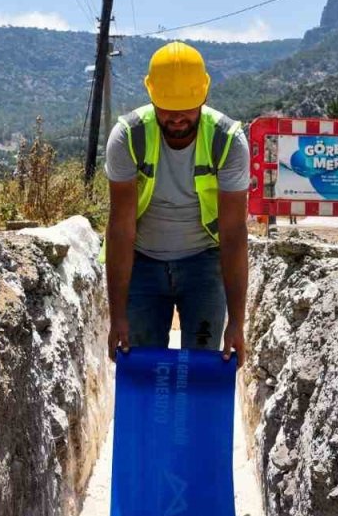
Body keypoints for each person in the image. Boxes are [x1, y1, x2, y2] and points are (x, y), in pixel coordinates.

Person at [105, 42, 250, 362]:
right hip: (142, 263)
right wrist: (116, 316)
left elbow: (234, 234)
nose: (177, 118)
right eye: (167, 108)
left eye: (186, 107)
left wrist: (237, 323)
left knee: (201, 367)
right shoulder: (128, 136)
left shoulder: (228, 141)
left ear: (204, 96)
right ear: (152, 96)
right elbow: (120, 229)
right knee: (141, 365)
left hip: (204, 264)